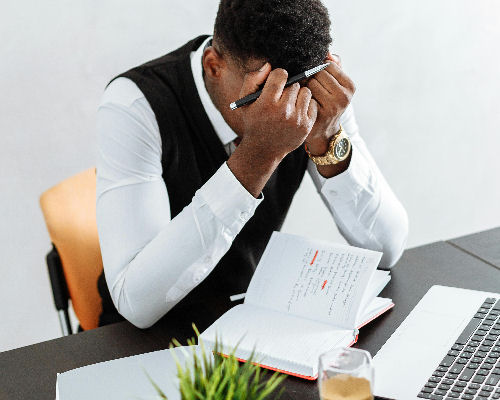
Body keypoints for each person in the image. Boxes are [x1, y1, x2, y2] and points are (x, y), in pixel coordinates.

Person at [95, 0, 408, 330]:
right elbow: (136, 303)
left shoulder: (312, 86)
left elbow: (386, 249)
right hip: (145, 342)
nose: (288, 111)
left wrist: (329, 139)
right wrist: (258, 154)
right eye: (264, 91)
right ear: (214, 65)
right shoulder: (133, 105)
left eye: (300, 87)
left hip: (247, 320)